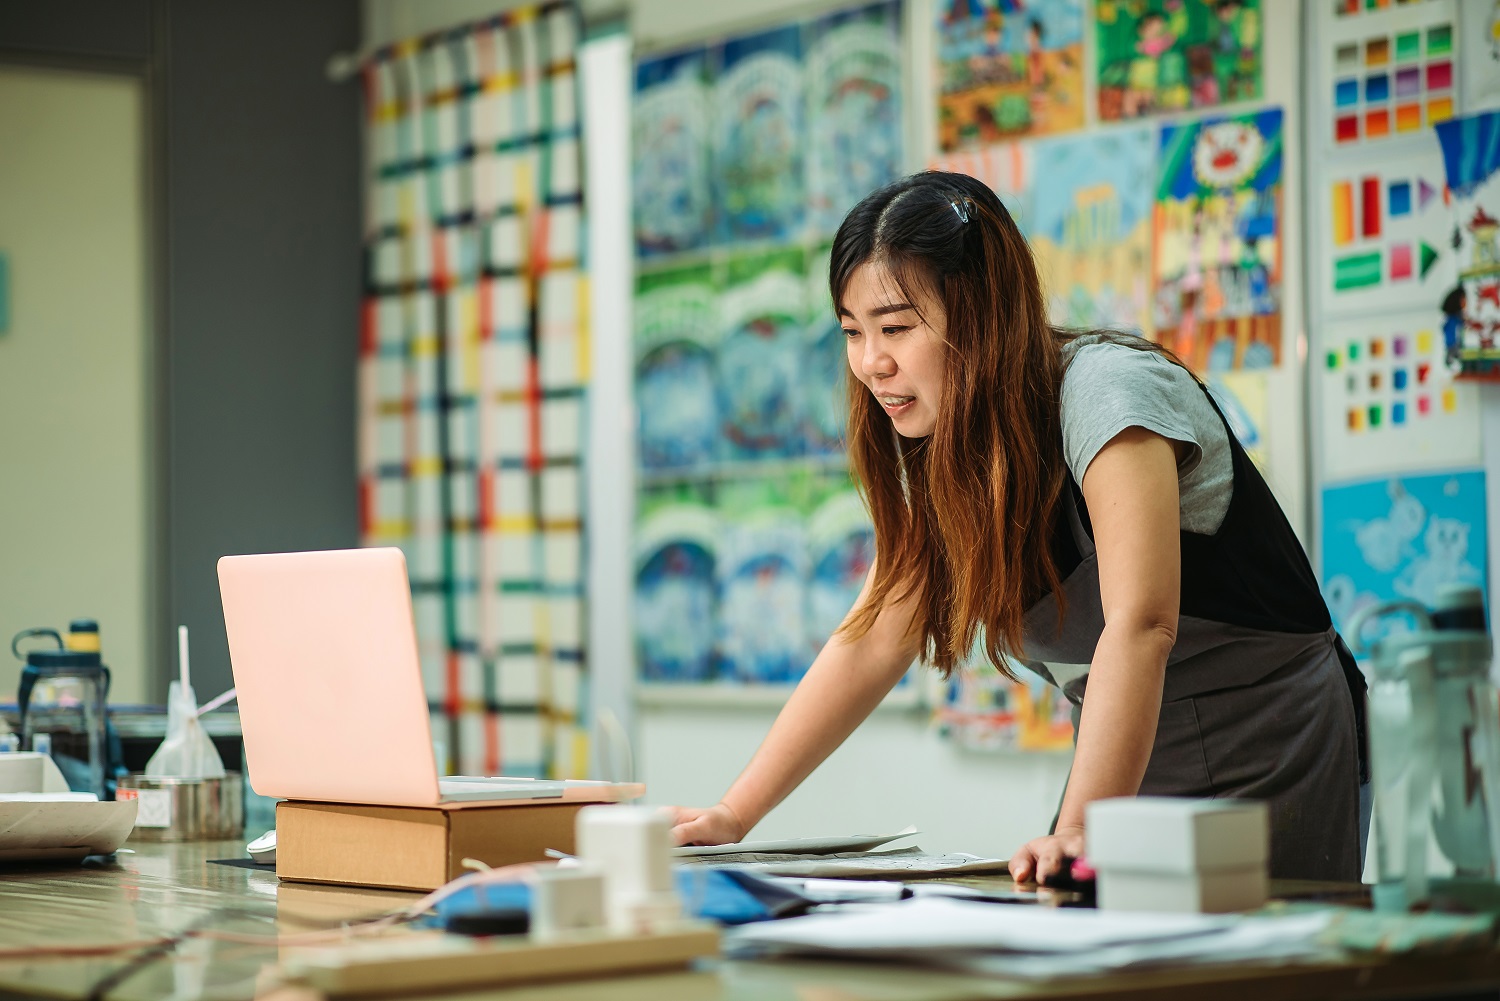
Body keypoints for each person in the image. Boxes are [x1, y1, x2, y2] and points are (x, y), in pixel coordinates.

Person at [669, 171, 1368, 884]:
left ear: (978, 314)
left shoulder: (1105, 392)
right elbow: (873, 640)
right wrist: (733, 815)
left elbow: (1141, 625)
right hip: (1127, 764)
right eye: (853, 332)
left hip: (1268, 747)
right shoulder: (957, 456)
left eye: (897, 328)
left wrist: (1075, 830)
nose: (871, 362)